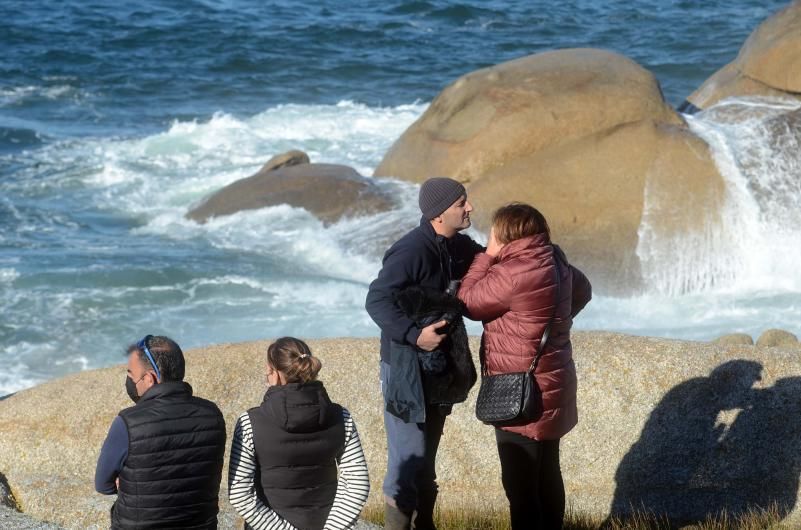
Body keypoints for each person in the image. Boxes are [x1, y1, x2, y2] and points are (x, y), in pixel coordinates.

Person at [457, 203, 591, 530]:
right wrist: (556, 319)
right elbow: (584, 290)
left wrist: (486, 256)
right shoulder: (555, 260)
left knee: (520, 487)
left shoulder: (514, 271)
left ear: (507, 233)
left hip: (518, 389)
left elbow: (467, 301)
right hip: (553, 382)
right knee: (547, 472)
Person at [365, 177, 484, 530]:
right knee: (407, 460)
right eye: (461, 203)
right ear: (437, 213)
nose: (470, 207)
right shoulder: (411, 250)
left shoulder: (455, 246)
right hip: (405, 366)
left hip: (438, 368)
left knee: (425, 461)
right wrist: (415, 336)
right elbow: (376, 299)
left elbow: (487, 260)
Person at [228, 337, 369, 530]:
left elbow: (239, 494)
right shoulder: (341, 416)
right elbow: (357, 483)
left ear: (275, 374)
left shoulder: (249, 422)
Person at [95, 335, 227, 529]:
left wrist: (130, 483)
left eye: (132, 374)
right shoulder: (212, 414)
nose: (130, 380)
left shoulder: (128, 422)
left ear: (149, 379)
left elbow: (103, 485)